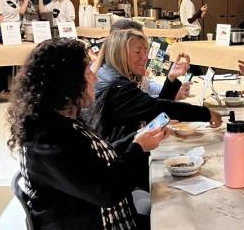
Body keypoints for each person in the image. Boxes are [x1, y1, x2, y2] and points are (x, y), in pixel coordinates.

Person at [7, 38, 167, 230]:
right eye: (86, 71)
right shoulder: (48, 138)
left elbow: (94, 164)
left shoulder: (60, 122)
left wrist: (136, 140)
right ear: (66, 82)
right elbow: (104, 189)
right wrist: (136, 149)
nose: (94, 74)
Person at [87, 28, 222, 145]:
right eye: (138, 52)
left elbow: (151, 110)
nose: (145, 57)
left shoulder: (112, 75)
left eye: (145, 51)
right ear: (119, 55)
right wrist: (206, 113)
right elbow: (157, 108)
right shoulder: (116, 86)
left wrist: (171, 78)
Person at [0, 0, 32, 96]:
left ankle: (17, 87)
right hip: (7, 31)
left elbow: (20, 11)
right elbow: (0, 17)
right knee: (7, 61)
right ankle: (2, 88)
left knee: (16, 59)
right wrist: (6, 32)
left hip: (17, 31)